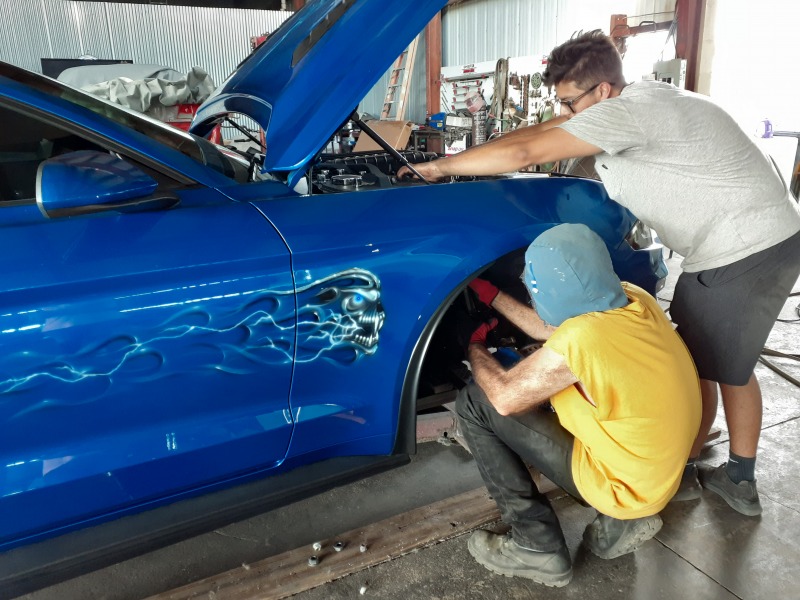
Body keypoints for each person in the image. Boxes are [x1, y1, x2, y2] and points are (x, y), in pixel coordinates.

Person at [400, 30, 800, 516]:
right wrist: (470, 158)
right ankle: (687, 462)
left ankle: (731, 477)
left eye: (570, 102)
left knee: (719, 364)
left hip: (746, 245)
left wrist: (440, 170)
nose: (564, 112)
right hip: (741, 237)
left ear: (603, 90)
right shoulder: (632, 101)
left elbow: (528, 155)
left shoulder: (630, 113)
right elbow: (534, 135)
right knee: (704, 356)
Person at [457, 222, 700, 587]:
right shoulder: (632, 299)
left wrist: (474, 347)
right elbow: (553, 329)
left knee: (477, 402)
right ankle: (619, 523)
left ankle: (536, 545)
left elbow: (505, 398)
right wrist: (492, 295)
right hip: (657, 476)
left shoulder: (584, 340)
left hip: (623, 487)